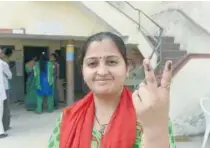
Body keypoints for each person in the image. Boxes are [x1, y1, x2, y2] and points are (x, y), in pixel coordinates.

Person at [47, 32, 176, 148]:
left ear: (127, 68)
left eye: (112, 62)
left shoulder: (150, 114)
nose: (102, 72)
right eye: (92, 64)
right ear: (83, 71)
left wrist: (154, 130)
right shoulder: (67, 117)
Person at [0, 48, 13, 131]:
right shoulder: (3, 64)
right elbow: (10, 75)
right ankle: (5, 125)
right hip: (4, 87)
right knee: (5, 107)